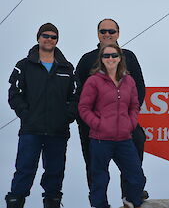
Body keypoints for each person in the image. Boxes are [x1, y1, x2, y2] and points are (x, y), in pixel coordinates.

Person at [5, 23, 79, 208]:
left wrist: (67, 116)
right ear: (38, 38)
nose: (49, 39)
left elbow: (76, 96)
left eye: (53, 36)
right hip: (31, 129)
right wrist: (25, 114)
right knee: (24, 170)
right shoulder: (24, 65)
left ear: (57, 40)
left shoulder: (66, 67)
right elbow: (14, 94)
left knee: (55, 173)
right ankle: (15, 203)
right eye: (45, 35)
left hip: (58, 131)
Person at [76, 18, 147, 203]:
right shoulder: (86, 60)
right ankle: (98, 202)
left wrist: (130, 120)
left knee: (138, 142)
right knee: (95, 168)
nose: (107, 34)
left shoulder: (129, 57)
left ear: (118, 33)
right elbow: (78, 94)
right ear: (98, 33)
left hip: (124, 125)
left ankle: (131, 195)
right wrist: (93, 122)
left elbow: (139, 89)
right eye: (103, 31)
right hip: (95, 128)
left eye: (111, 31)